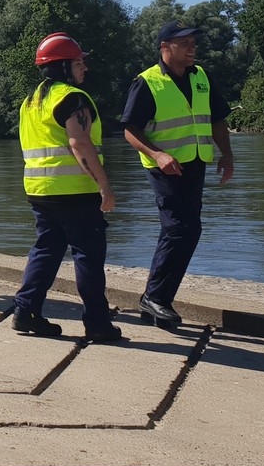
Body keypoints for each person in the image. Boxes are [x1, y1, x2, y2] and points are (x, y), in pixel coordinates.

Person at [122, 20, 235, 328]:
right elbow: (130, 131)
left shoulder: (202, 78)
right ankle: (156, 298)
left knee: (186, 229)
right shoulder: (147, 82)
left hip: (195, 163)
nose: (191, 48)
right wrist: (157, 155)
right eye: (184, 42)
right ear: (165, 47)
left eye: (193, 42)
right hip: (165, 168)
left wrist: (227, 154)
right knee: (180, 228)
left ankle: (154, 301)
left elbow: (217, 120)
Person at [13, 33, 122, 342]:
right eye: (78, 62)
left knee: (46, 250)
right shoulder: (73, 98)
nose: (84, 68)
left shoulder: (31, 101)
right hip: (74, 190)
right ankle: (98, 323)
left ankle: (26, 311)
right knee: (88, 254)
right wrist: (105, 186)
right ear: (63, 67)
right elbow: (80, 144)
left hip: (39, 189)